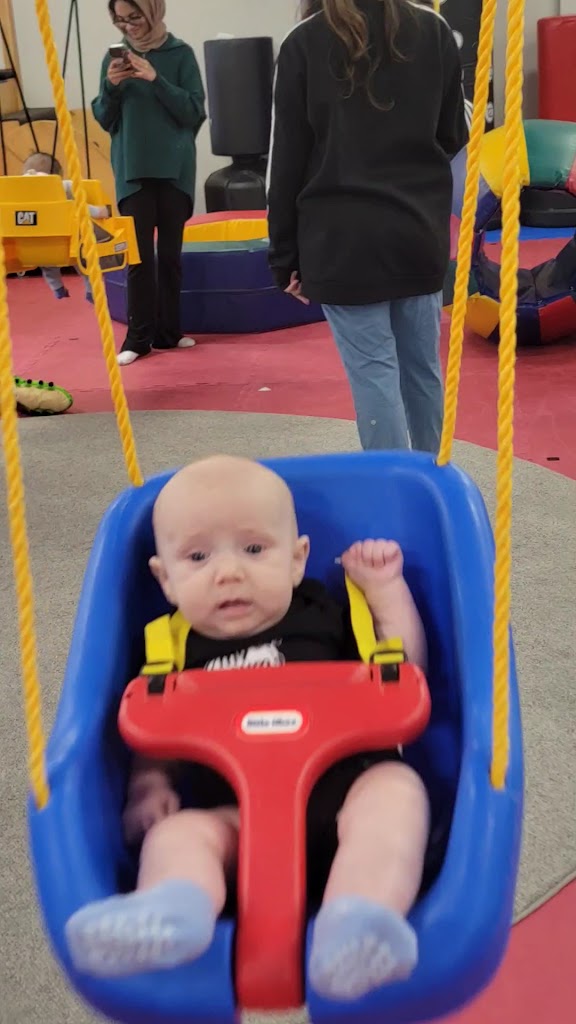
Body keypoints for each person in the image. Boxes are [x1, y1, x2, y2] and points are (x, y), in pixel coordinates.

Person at [65, 455, 430, 1002]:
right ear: (165, 579)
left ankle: (358, 921)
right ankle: (170, 910)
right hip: (239, 817)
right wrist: (148, 785)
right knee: (178, 836)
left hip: (348, 787)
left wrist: (384, 590)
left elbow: (404, 669)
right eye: (198, 557)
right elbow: (154, 729)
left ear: (297, 560)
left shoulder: (325, 613)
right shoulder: (170, 649)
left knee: (398, 793)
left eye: (254, 550)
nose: (228, 573)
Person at [267, 0, 468, 455]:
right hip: (415, 229)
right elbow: (453, 132)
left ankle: (392, 486)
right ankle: (432, 480)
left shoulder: (305, 40)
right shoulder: (433, 29)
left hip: (342, 238)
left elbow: (286, 159)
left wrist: (283, 255)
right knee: (422, 371)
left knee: (374, 373)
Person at [92, 1, 206, 366]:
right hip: (133, 171)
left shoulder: (180, 54)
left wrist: (155, 78)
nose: (129, 26)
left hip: (175, 170)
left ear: (152, 11)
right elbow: (104, 118)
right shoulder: (114, 61)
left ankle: (169, 333)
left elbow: (193, 111)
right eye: (120, 20)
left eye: (135, 17)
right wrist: (111, 86)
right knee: (138, 259)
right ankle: (138, 339)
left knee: (170, 257)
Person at [22, 151, 110, 303]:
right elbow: (77, 207)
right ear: (56, 175)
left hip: (31, 247)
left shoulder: (19, 191)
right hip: (65, 243)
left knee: (47, 264)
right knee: (84, 263)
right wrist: (98, 211)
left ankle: (57, 288)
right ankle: (91, 291)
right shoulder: (58, 187)